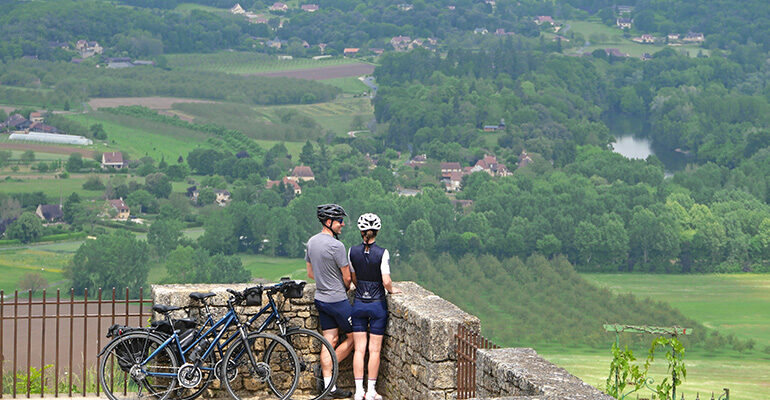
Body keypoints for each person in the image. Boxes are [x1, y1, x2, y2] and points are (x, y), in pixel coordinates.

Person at [348, 213, 402, 400]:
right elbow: (386, 280)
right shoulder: (383, 253)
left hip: (359, 303)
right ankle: (370, 391)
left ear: (361, 231)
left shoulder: (352, 251)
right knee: (374, 350)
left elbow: (353, 277)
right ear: (377, 231)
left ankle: (358, 391)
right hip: (377, 303)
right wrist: (392, 290)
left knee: (359, 349)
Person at [306, 204, 355, 399]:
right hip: (337, 300)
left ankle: (328, 387)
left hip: (321, 298)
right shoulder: (337, 246)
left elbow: (311, 273)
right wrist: (340, 285)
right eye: (339, 221)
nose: (342, 224)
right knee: (354, 338)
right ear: (329, 222)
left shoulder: (311, 242)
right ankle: (329, 368)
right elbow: (348, 279)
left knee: (330, 340)